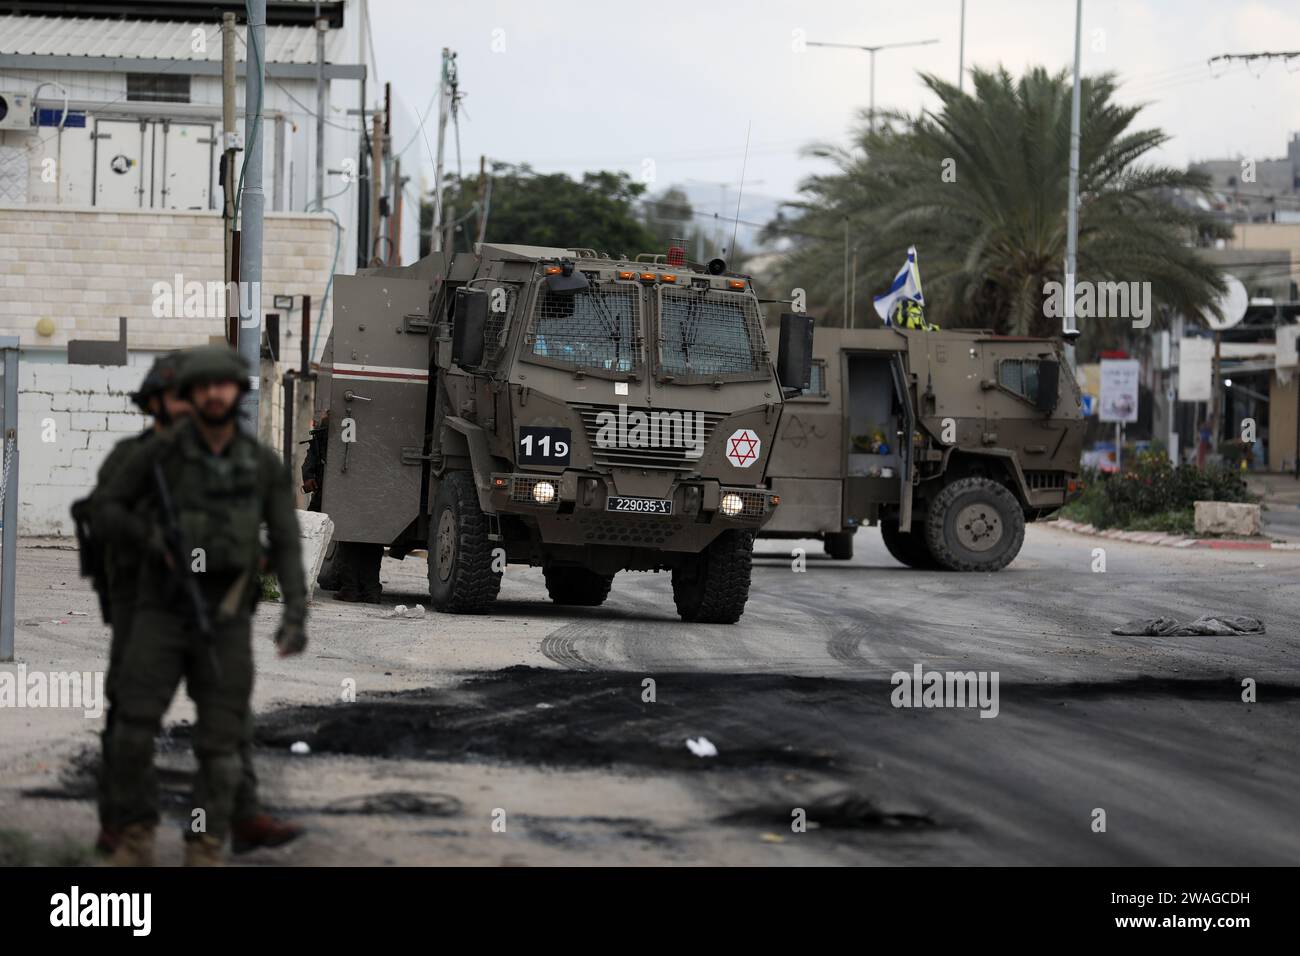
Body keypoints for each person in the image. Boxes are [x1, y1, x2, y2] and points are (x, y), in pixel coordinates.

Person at [96, 345, 307, 866]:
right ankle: (137, 835)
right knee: (133, 728)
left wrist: (295, 613)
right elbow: (106, 510)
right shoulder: (157, 455)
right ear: (192, 394)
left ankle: (205, 844)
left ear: (237, 391)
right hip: (159, 609)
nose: (214, 394)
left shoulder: (260, 464)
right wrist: (149, 537)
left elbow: (285, 539)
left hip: (226, 614)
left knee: (223, 742)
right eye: (204, 386)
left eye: (224, 384)